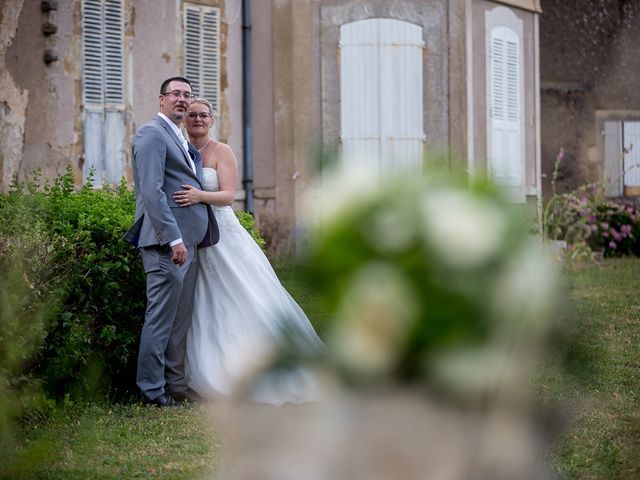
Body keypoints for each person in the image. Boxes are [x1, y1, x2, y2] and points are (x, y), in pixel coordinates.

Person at [174, 98, 323, 405]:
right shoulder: (181, 150)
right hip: (195, 237)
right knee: (206, 300)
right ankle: (207, 366)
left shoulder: (222, 151)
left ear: (212, 120)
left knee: (244, 293)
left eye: (203, 115)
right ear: (185, 120)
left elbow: (228, 195)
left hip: (223, 236)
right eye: (192, 115)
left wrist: (198, 195)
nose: (198, 119)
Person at [124, 78, 219, 407]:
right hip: (168, 244)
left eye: (187, 95)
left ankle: (175, 387)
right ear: (161, 99)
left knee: (179, 322)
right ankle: (152, 392)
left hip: (188, 243)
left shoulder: (175, 134)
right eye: (176, 94)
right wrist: (174, 239)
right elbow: (151, 191)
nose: (182, 100)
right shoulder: (152, 133)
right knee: (160, 319)